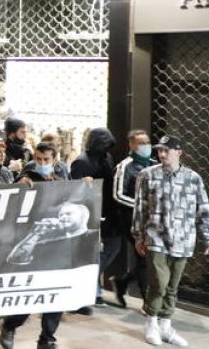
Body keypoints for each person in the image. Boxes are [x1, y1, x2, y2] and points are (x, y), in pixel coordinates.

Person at [132, 136, 209, 347]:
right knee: (158, 283)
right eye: (159, 150)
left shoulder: (193, 178)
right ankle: (151, 322)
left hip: (183, 239)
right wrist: (138, 236)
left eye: (166, 150)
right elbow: (140, 209)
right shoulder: (147, 175)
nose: (161, 154)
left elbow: (203, 209)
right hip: (156, 237)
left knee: (172, 286)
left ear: (179, 152)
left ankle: (165, 325)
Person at [0, 142, 69, 349]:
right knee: (31, 295)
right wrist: (21, 183)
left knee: (56, 296)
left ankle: (47, 338)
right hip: (34, 241)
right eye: (38, 159)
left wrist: (86, 184)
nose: (42, 163)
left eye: (46, 160)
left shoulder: (63, 173)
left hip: (58, 243)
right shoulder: (29, 173)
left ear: (55, 159)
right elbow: (18, 189)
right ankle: (10, 325)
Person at [71, 127, 119, 310]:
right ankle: (87, 292)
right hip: (90, 213)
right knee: (90, 255)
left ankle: (92, 285)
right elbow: (75, 189)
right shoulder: (82, 162)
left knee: (113, 246)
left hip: (108, 211)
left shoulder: (106, 157)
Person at [112, 129, 155, 308]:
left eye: (147, 142)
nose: (145, 146)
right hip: (131, 220)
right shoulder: (125, 166)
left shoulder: (154, 164)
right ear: (131, 145)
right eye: (140, 143)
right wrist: (141, 206)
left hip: (152, 220)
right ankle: (147, 301)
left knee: (146, 258)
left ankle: (122, 283)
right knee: (144, 257)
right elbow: (118, 194)